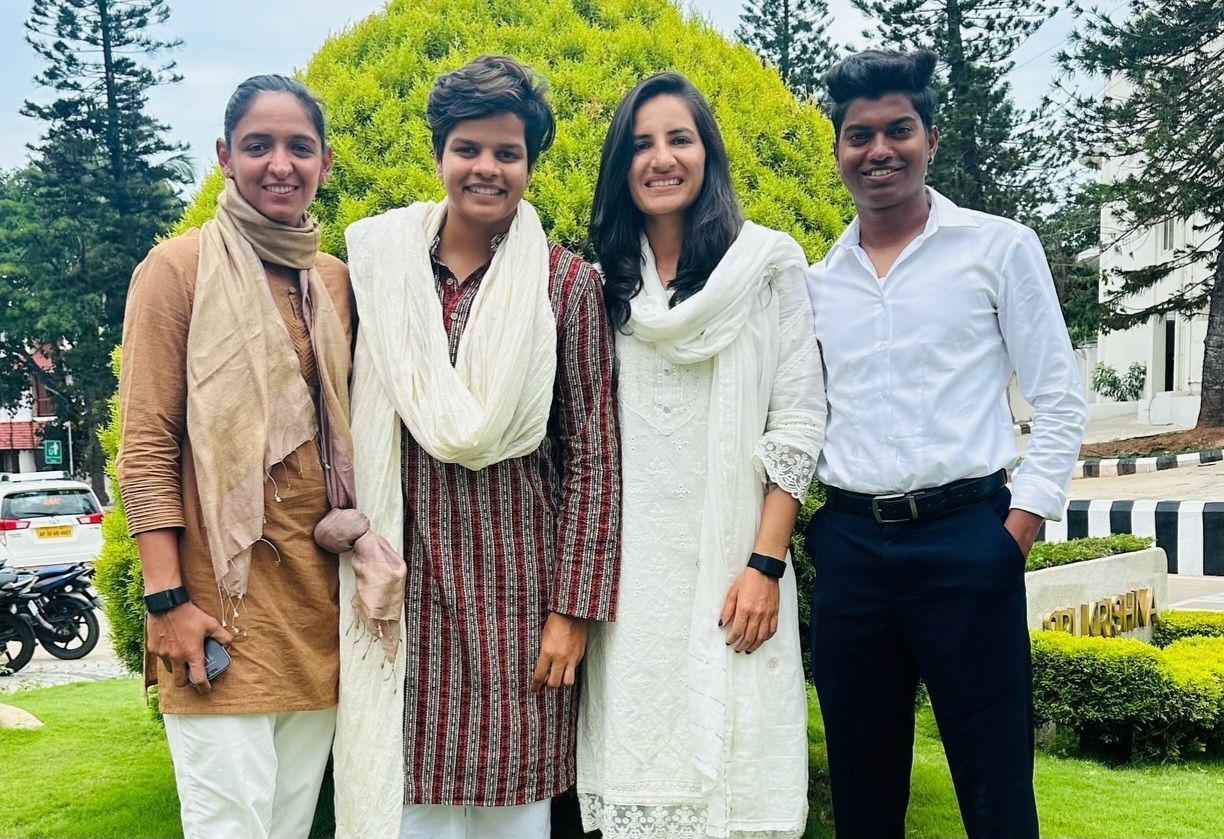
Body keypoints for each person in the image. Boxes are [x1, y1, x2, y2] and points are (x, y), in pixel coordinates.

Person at [332, 55, 621, 839]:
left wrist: (573, 610)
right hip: (402, 595)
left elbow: (595, 456)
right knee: (407, 808)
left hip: (519, 604)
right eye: (469, 148)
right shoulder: (381, 273)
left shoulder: (566, 286)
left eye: (507, 152)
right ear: (438, 155)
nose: (486, 168)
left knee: (516, 815)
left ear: (530, 163)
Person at [806, 50, 1088, 839]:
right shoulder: (817, 279)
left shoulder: (998, 248)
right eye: (859, 135)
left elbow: (1060, 396)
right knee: (864, 797)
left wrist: (1017, 530)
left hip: (970, 540)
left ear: (931, 135)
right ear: (838, 150)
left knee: (996, 789)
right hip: (854, 550)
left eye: (899, 129)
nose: (879, 150)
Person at [576, 72, 825, 839]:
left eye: (679, 138)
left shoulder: (768, 265)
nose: (661, 158)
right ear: (621, 166)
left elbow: (799, 420)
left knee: (740, 779)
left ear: (707, 152)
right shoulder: (596, 286)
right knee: (641, 777)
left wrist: (765, 564)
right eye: (641, 143)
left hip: (737, 574)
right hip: (631, 594)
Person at [116, 74, 358, 838]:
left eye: (299, 147)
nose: (279, 163)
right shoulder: (177, 268)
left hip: (317, 616)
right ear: (225, 155)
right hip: (214, 616)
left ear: (323, 161)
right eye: (258, 145)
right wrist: (165, 603)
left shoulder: (334, 282)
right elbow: (147, 445)